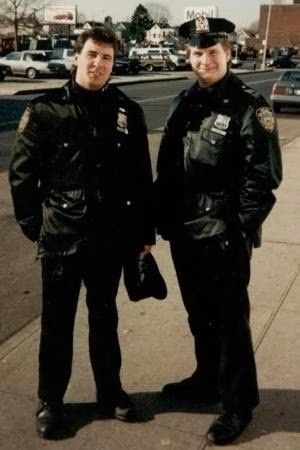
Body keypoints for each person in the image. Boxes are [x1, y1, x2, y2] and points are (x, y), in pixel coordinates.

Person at [9, 25, 155, 439]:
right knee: (57, 324)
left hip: (110, 239)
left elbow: (141, 179)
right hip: (61, 239)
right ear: (76, 56)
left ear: (113, 63)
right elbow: (22, 177)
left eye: (107, 58)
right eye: (92, 55)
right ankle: (50, 402)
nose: (98, 64)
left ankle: (110, 392)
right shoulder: (45, 109)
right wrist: (38, 227)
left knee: (104, 319)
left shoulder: (127, 112)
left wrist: (143, 235)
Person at [155, 16, 282, 446]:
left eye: (212, 52)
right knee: (199, 316)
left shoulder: (250, 107)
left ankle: (237, 404)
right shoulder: (183, 102)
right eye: (197, 52)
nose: (204, 59)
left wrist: (238, 230)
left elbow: (261, 182)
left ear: (228, 53)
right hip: (186, 233)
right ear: (187, 55)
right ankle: (207, 380)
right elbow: (168, 169)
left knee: (230, 323)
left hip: (223, 235)